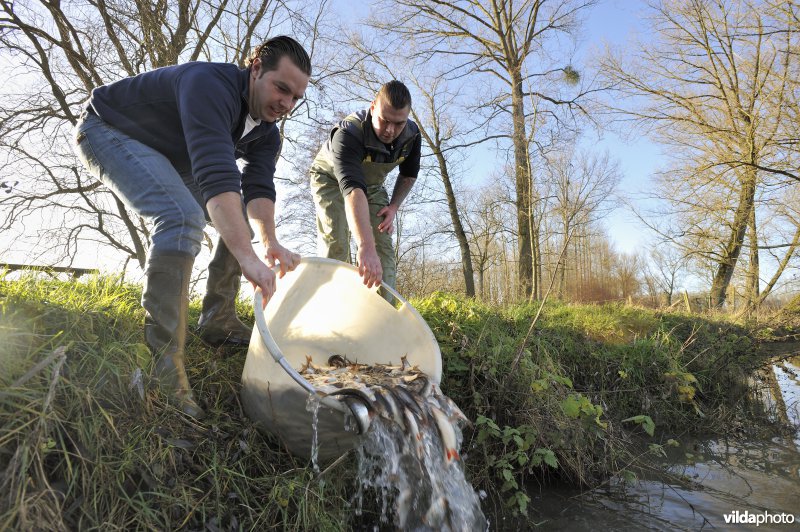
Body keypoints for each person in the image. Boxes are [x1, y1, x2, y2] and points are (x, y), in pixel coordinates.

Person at [73, 36, 312, 418]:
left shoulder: (267, 133)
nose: (286, 103)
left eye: (295, 97)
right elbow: (217, 174)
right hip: (108, 129)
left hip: (170, 154)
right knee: (182, 216)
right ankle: (163, 365)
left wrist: (267, 242)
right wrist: (246, 257)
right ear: (255, 69)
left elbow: (257, 187)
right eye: (281, 88)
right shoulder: (209, 85)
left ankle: (218, 320)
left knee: (241, 228)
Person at [309, 80, 421, 294]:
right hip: (331, 180)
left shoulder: (412, 136)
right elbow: (352, 190)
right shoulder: (349, 132)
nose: (390, 130)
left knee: (383, 246)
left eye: (399, 123)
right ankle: (333, 307)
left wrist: (394, 206)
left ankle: (383, 315)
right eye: (385, 120)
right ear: (372, 108)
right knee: (336, 242)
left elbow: (408, 174)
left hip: (371, 185)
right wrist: (364, 245)